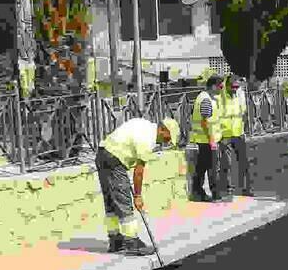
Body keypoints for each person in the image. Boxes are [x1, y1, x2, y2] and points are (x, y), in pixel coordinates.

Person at [96, 115, 181, 256]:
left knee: (111, 201)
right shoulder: (148, 140)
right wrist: (137, 196)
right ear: (162, 129)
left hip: (102, 153)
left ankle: (115, 240)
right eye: (167, 138)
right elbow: (139, 172)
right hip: (114, 159)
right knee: (124, 201)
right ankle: (132, 242)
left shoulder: (144, 124)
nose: (166, 142)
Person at [189, 74, 225, 201]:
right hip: (208, 141)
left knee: (202, 167)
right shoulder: (206, 99)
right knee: (212, 168)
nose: (222, 89)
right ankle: (215, 194)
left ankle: (198, 192)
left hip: (203, 140)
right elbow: (205, 122)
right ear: (214, 86)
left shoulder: (204, 97)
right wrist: (211, 140)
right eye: (220, 86)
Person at [217, 74, 253, 197]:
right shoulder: (220, 95)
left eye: (236, 87)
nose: (234, 89)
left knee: (244, 162)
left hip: (238, 132)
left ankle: (246, 188)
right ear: (227, 85)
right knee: (226, 163)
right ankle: (227, 189)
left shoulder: (240, 93)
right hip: (224, 134)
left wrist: (245, 128)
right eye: (232, 87)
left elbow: (243, 112)